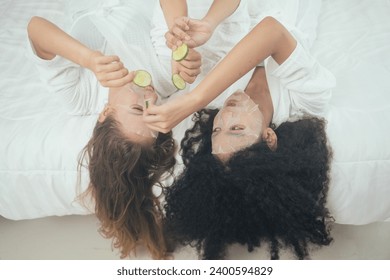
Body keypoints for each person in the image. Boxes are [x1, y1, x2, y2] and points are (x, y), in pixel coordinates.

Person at [155, 1, 337, 259]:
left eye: (216, 130)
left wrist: (202, 28)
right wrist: (195, 98)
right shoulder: (305, 100)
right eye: (237, 128)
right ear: (269, 137)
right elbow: (271, 31)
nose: (225, 114)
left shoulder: (213, 92)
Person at [26, 0, 204, 259]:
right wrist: (181, 44)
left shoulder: (81, 95)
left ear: (105, 114)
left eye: (136, 110)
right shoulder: (164, 77)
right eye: (152, 112)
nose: (151, 98)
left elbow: (36, 29)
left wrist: (90, 59)